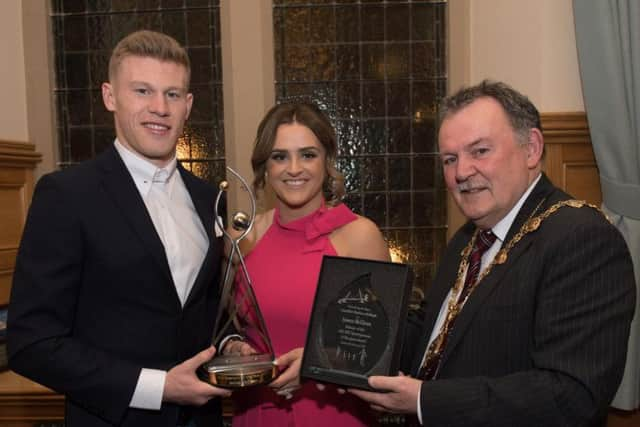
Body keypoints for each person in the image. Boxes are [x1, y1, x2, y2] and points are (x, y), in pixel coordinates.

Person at [349, 80, 636, 427]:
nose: (461, 173)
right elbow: (429, 336)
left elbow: (572, 396)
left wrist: (424, 400)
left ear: (531, 148)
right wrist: (341, 350)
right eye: (450, 159)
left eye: (480, 151)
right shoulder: (467, 238)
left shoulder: (581, 238)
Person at [7, 30, 232, 427]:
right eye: (142, 91)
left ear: (188, 105)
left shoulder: (209, 198)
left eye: (173, 94)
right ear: (110, 97)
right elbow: (32, 343)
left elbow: (208, 312)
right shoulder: (66, 196)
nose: (160, 107)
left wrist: (233, 345)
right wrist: (157, 387)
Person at [228, 102, 391, 427]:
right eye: (279, 156)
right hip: (256, 414)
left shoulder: (359, 236)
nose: (294, 168)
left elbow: (383, 346)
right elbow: (226, 324)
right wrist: (233, 347)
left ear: (327, 161)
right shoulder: (243, 236)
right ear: (265, 166)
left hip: (333, 414)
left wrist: (318, 363)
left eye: (307, 154)